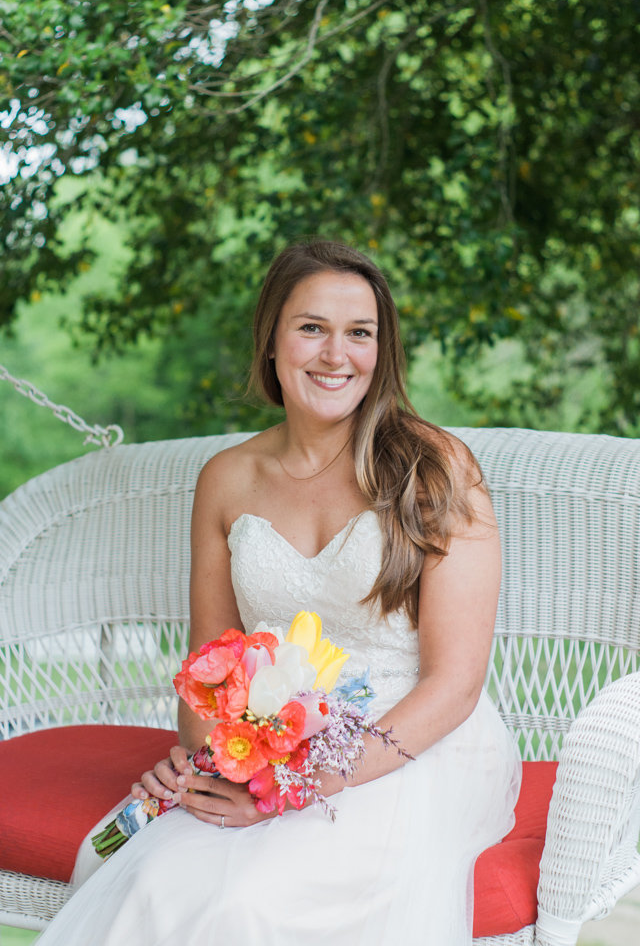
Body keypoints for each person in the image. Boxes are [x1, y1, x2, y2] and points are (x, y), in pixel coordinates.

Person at [37, 239, 521, 945]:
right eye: (311, 328)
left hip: (417, 744)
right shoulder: (227, 478)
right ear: (271, 340)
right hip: (272, 747)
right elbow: (209, 669)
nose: (336, 354)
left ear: (382, 352)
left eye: (360, 333)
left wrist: (295, 787)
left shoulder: (435, 469)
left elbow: (454, 685)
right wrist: (211, 762)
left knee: (252, 906)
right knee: (147, 883)